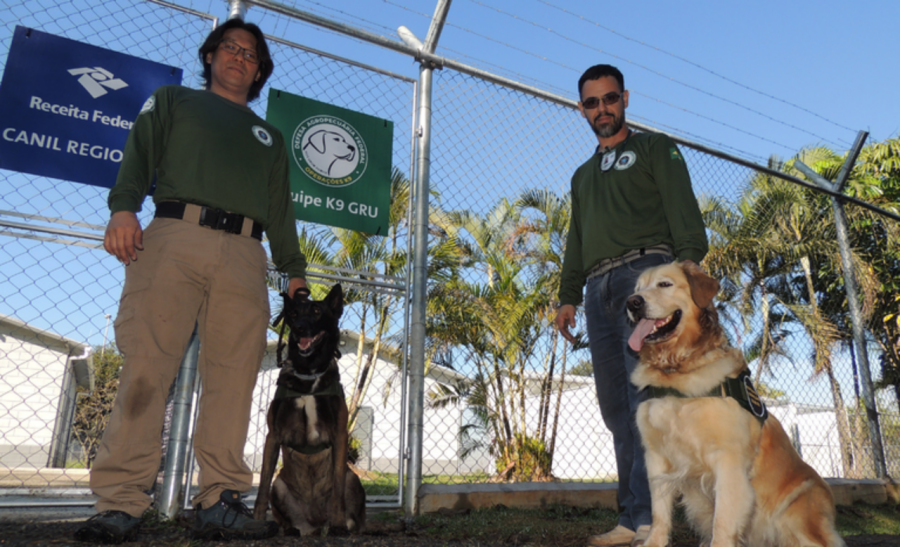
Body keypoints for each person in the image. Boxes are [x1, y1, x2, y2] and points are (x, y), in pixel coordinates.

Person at [75, 18, 307, 544]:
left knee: (234, 377)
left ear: (259, 71)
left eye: (250, 55)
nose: (239, 57)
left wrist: (293, 271)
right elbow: (139, 154)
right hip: (174, 236)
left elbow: (281, 209)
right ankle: (120, 502)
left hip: (246, 254)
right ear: (210, 56)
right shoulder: (174, 100)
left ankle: (219, 499)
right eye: (230, 47)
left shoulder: (269, 136)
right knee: (147, 366)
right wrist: (123, 210)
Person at [554, 64, 707, 547]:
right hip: (598, 288)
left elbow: (684, 207)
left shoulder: (655, 148)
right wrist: (566, 295)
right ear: (582, 109)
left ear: (625, 99)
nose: (602, 109)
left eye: (610, 98)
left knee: (647, 401)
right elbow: (576, 240)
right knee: (616, 406)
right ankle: (631, 516)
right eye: (591, 102)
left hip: (645, 277)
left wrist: (686, 268)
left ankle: (648, 520)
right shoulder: (581, 176)